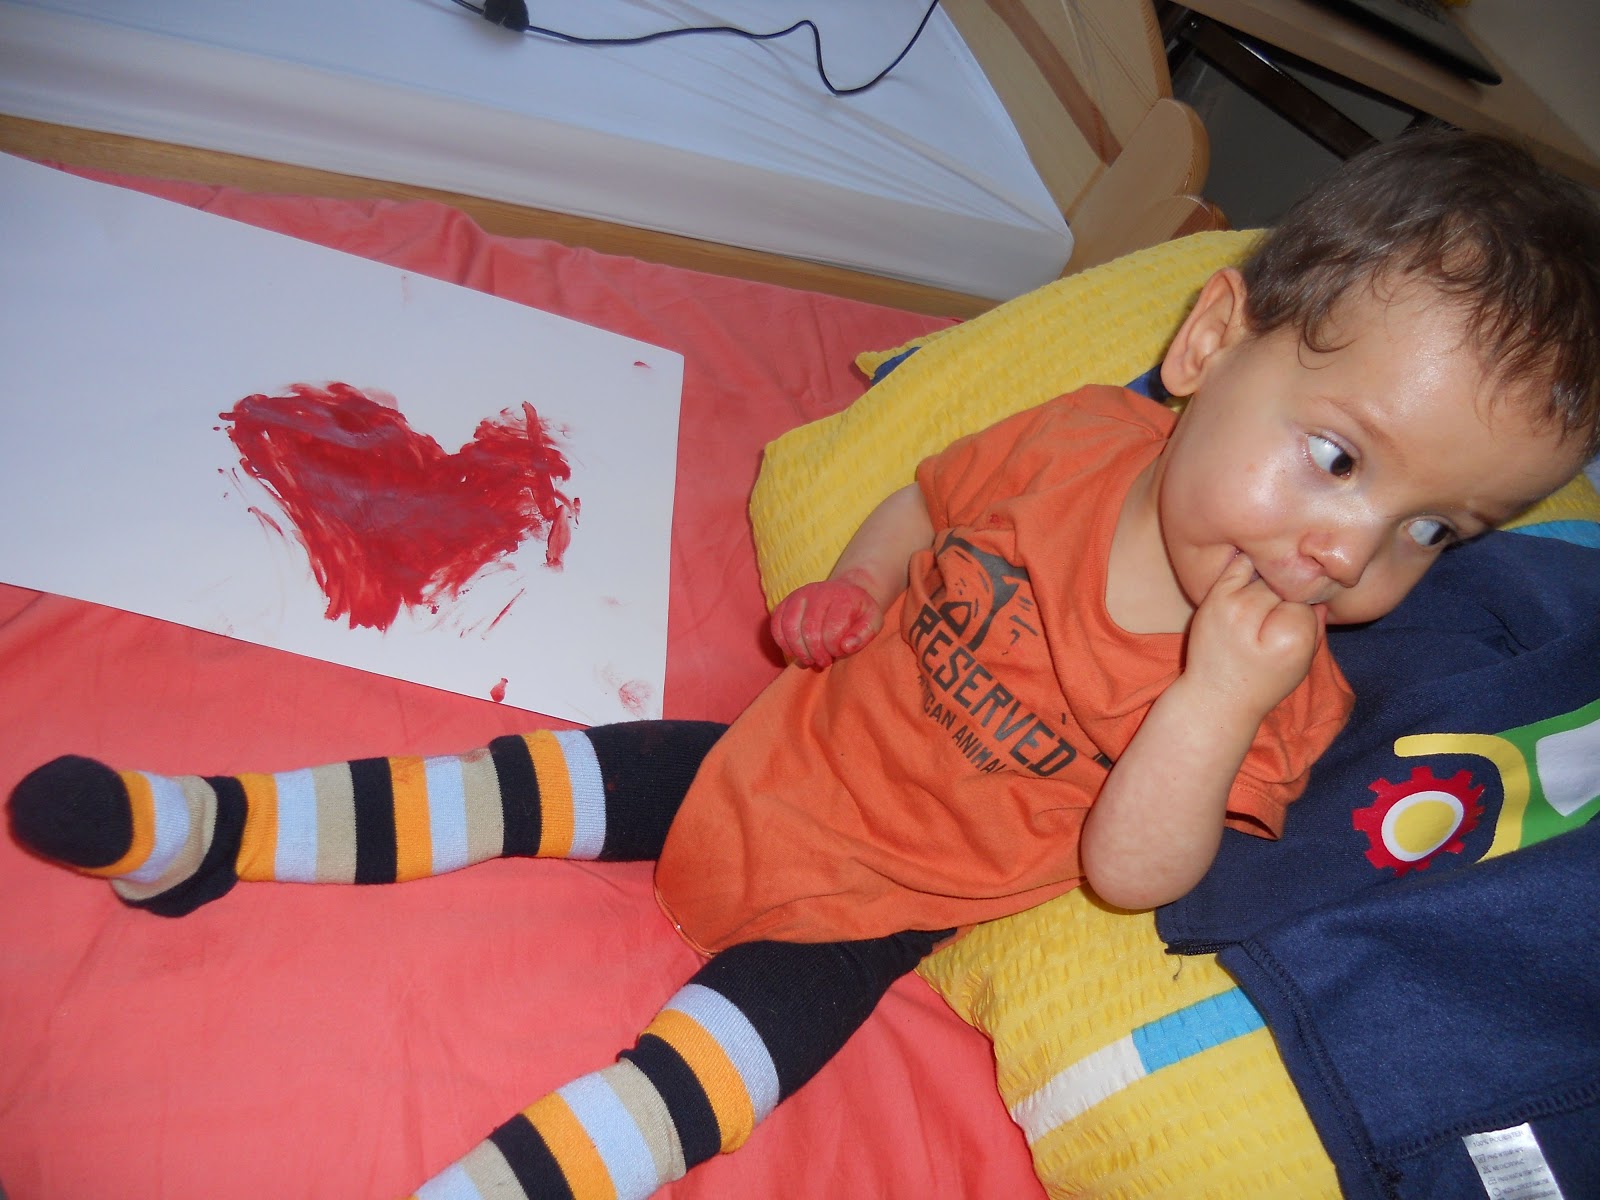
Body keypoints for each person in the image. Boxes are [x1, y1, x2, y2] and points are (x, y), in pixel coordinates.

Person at [9, 129, 1600, 1200]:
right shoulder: (1073, 440)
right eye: (1338, 457)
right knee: (532, 776)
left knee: (712, 1077)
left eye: (1434, 529)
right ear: (1204, 347)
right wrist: (855, 583)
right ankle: (208, 834)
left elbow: (1135, 874)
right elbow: (927, 499)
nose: (1349, 548)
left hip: (876, 906)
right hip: (777, 748)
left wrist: (1211, 702)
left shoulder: (1281, 687)